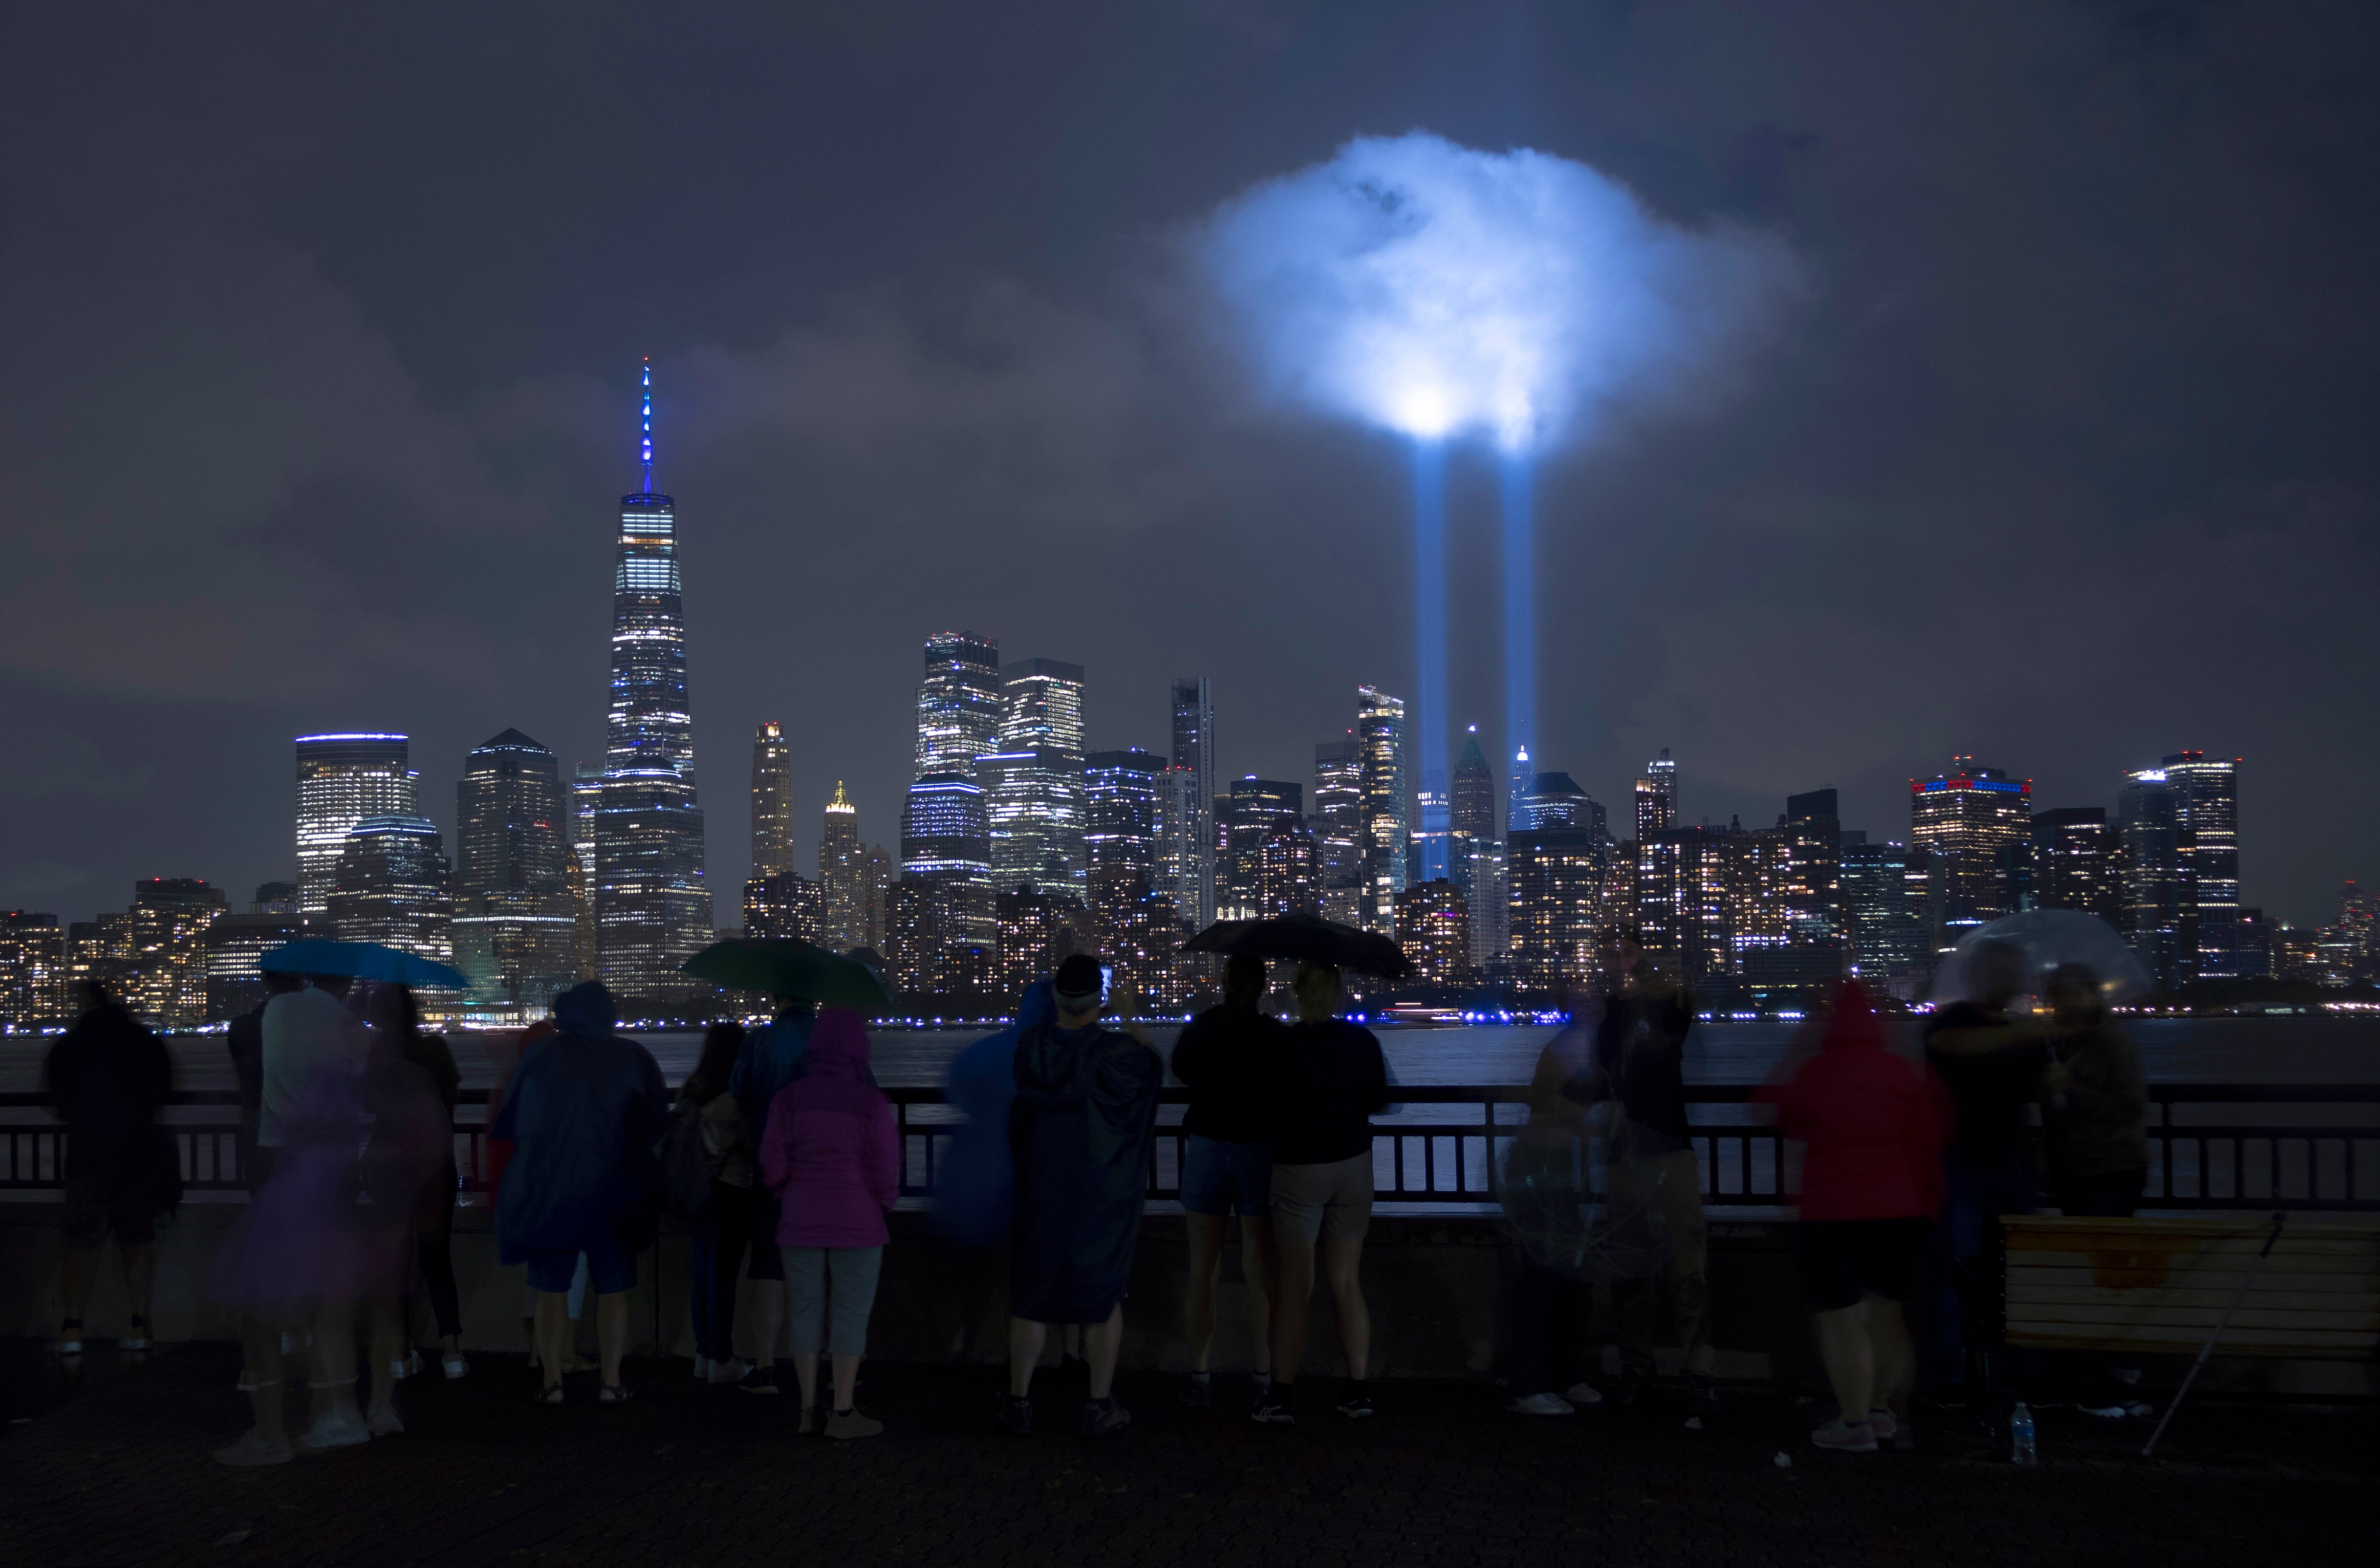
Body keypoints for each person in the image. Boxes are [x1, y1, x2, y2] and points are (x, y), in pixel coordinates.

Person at [1766, 982, 1949, 1453]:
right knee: (1889, 1316)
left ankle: (1853, 1424)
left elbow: (1780, 1113)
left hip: (1834, 1211)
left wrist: (1803, 1045)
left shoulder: (1819, 1070)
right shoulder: (1900, 1071)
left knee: (1841, 1319)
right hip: (1902, 1209)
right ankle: (1884, 1413)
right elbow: (1929, 1136)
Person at [212, 973, 374, 1463]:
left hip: (296, 1188)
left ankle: (272, 1433)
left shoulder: (272, 1040)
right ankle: (334, 1414)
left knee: (262, 1311)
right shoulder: (351, 1063)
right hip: (333, 1189)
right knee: (329, 1310)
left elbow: (271, 1126)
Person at [1002, 954, 1163, 1438]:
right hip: (1100, 1188)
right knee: (1101, 1293)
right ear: (1100, 997)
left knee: (1030, 1294)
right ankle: (1098, 1403)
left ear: (1056, 997)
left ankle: (1019, 1402)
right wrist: (1132, 1016)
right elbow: (1153, 1072)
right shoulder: (1119, 1053)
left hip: (1041, 1184)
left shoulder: (1031, 1046)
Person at [490, 982, 669, 1406]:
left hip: (551, 1191)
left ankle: (552, 1383)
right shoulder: (634, 1056)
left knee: (551, 1289)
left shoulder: (539, 1056)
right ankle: (611, 1382)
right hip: (615, 1189)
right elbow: (657, 1124)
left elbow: (511, 1121)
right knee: (613, 1289)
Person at [1573, 931, 1717, 1417]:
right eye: (1610, 954)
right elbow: (1603, 1073)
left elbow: (1677, 1013)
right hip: (1624, 1150)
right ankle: (1640, 1369)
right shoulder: (1605, 1015)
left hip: (1668, 1145)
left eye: (1627, 952)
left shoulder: (1669, 1002)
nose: (1619, 961)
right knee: (1629, 1268)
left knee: (1686, 1265)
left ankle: (1699, 1373)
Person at [1256, 960, 1389, 1427]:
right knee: (1347, 1282)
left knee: (1296, 1286)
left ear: (1296, 993)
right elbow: (1379, 1099)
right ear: (1336, 994)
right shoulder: (1361, 1039)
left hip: (1299, 1169)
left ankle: (1282, 1396)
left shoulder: (1282, 1045)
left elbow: (1265, 1105)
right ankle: (1357, 1390)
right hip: (1352, 1165)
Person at [757, 1008, 897, 1439]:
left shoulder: (789, 1098)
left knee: (804, 1312)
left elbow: (772, 1164)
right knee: (850, 1314)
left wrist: (788, 1192)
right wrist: (881, 1204)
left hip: (800, 1219)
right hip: (858, 1221)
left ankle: (805, 1409)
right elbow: (886, 1169)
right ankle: (842, 1411)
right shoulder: (870, 1102)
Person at [1921, 938, 2049, 1396]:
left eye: (2013, 969)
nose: (2007, 978)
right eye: (1999, 970)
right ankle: (1949, 1376)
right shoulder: (1954, 1021)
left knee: (2017, 1276)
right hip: (1960, 1165)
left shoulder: (2028, 1036)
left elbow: (2039, 1092)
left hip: (2012, 1165)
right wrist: (2022, 1034)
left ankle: (2015, 1373)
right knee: (1955, 1273)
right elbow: (1947, 1045)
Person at [2040, 962, 2154, 1420]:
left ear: (2093, 994)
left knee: (2110, 1266)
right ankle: (2102, 1371)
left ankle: (2122, 1374)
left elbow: (2130, 1105)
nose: (2066, 1003)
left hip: (2113, 1168)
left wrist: (2074, 1088)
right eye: (2058, 994)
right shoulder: (2059, 1043)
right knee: (2091, 1267)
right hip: (2077, 1169)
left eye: (2074, 994)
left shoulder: (2112, 1042)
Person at [1168, 952, 1282, 1411]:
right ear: (1261, 986)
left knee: (1203, 1270)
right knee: (1260, 1273)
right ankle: (1263, 1376)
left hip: (1209, 1144)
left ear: (1224, 981)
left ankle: (1200, 1375)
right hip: (1258, 1149)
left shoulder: (1202, 1026)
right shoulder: (1273, 1034)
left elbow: (1179, 1069)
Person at [47, 983, 175, 1359]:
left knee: (81, 1242)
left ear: (85, 1005)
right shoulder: (144, 1040)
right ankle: (140, 1325)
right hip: (139, 1155)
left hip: (88, 1155)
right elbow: (163, 1091)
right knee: (136, 1240)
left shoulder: (69, 1045)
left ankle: (72, 1329)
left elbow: (60, 1101)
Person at [1501, 983, 1604, 1416]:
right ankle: (1527, 1383)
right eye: (1577, 998)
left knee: (1568, 1273)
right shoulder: (1567, 1046)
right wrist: (1594, 1107)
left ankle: (1562, 1373)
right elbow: (1541, 1101)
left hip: (1556, 1165)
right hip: (1538, 1165)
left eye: (1593, 996)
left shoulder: (1590, 1046)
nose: (1586, 1004)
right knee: (1543, 1273)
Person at [355, 984, 454, 1434]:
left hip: (388, 1162)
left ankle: (399, 1351)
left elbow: (364, 1104)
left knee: (394, 1256)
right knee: (436, 1253)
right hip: (434, 1161)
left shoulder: (376, 1057)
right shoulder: (432, 1050)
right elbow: (449, 1097)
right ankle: (452, 1351)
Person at [727, 997, 818, 1394]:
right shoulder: (837, 1042)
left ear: (779, 999)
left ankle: (765, 1367)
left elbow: (737, 1091)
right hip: (827, 1172)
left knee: (769, 1263)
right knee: (827, 1263)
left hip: (772, 1166)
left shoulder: (761, 1041)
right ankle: (835, 1367)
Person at [677, 1022, 755, 1386]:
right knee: (723, 1277)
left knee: (704, 1274)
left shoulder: (690, 1092)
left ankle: (703, 1354)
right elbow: (754, 1143)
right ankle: (722, 1357)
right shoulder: (735, 1097)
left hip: (695, 1192)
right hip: (731, 1191)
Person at [226, 970, 303, 1196]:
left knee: (262, 1195)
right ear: (299, 982)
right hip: (302, 1125)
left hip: (256, 1122)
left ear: (266, 982)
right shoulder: (308, 1026)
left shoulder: (243, 1027)